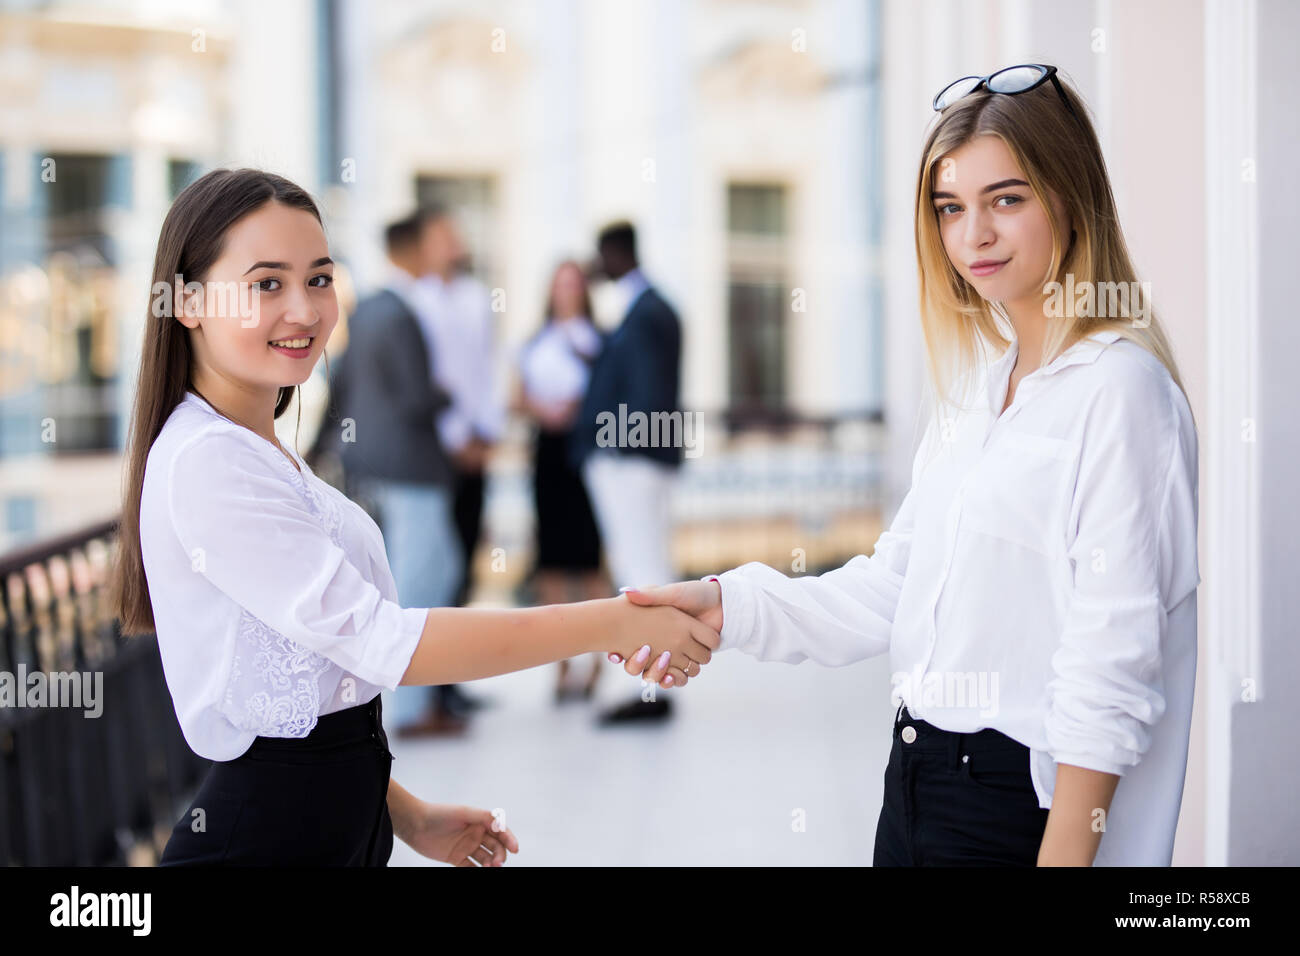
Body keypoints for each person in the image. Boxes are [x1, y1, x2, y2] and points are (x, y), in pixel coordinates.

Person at [614, 65, 1199, 867]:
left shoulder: (1122, 392)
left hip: (1019, 806)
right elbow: (897, 585)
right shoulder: (974, 390)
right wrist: (729, 604)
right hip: (916, 780)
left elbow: (1110, 671)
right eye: (950, 208)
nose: (973, 237)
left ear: (1070, 194)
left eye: (1007, 199)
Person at [108, 168, 716, 867]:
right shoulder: (209, 459)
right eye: (267, 283)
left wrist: (405, 814)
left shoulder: (252, 445)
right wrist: (614, 620)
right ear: (186, 301)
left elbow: (321, 699)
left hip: (331, 831)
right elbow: (381, 643)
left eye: (319, 278)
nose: (305, 311)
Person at [319, 209, 468, 738]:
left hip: (374, 464)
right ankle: (410, 710)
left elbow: (343, 384)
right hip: (411, 465)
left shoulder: (371, 309)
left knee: (421, 574)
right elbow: (414, 398)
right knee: (422, 582)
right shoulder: (403, 313)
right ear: (415, 248)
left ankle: (417, 704)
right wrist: (452, 393)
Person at [570, 221, 684, 724]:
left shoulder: (648, 312)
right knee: (642, 569)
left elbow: (647, 393)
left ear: (616, 253)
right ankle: (652, 684)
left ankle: (647, 691)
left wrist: (617, 449)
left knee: (641, 575)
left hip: (634, 463)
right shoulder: (647, 309)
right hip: (637, 461)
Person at [406, 206, 505, 726]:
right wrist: (453, 440)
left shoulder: (474, 298)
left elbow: (485, 370)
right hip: (437, 453)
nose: (453, 243)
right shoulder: (415, 301)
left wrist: (486, 432)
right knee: (431, 568)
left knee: (464, 559)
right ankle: (428, 690)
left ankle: (452, 685)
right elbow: (427, 386)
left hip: (476, 448)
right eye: (443, 234)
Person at [512, 260, 609, 702]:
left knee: (588, 558)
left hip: (583, 456)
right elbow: (515, 397)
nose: (566, 292)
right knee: (551, 558)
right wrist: (540, 409)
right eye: (559, 284)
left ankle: (596, 662)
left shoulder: (598, 342)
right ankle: (560, 663)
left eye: (573, 284)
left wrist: (576, 409)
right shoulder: (536, 341)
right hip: (547, 454)